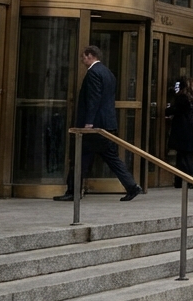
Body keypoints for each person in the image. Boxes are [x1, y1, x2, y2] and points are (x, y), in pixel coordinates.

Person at [55, 45, 141, 202]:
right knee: (110, 157)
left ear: (90, 56)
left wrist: (88, 122)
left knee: (80, 158)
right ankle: (131, 186)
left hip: (95, 125)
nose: (82, 60)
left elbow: (93, 99)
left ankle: (72, 191)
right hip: (106, 123)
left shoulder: (93, 73)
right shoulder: (108, 73)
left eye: (83, 57)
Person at [166, 77, 193, 187]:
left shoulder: (182, 98)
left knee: (185, 157)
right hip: (190, 131)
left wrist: (167, 110)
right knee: (183, 156)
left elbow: (174, 110)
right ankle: (180, 180)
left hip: (182, 131)